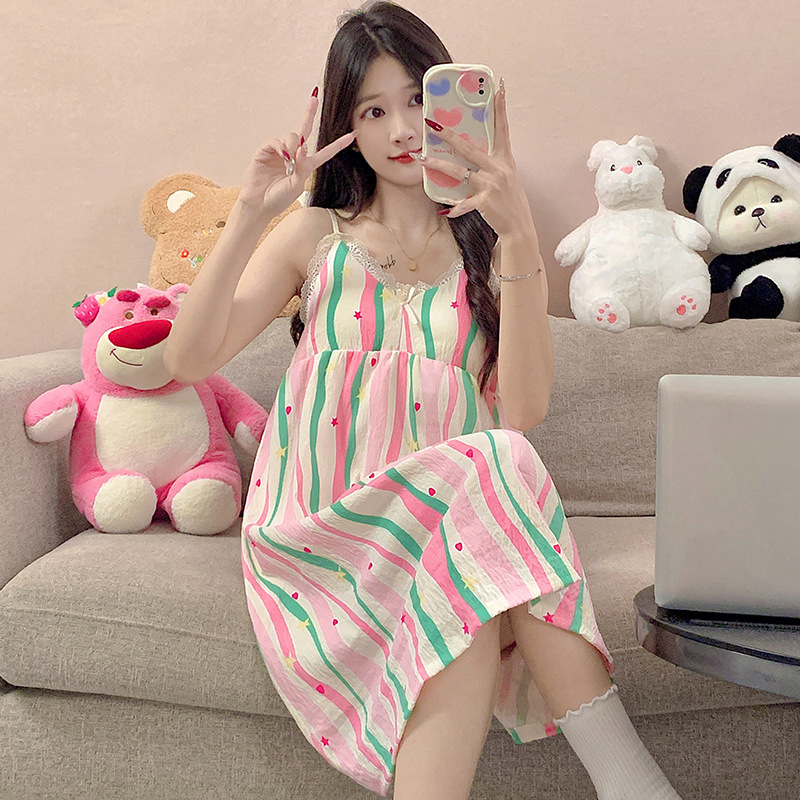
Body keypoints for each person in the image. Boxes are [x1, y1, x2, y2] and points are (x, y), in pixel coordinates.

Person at [164, 3, 685, 798]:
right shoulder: (315, 235)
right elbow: (188, 358)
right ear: (347, 127)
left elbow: (524, 409)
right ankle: (632, 784)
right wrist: (250, 214)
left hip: (446, 525)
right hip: (328, 522)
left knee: (475, 523)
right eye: (373, 111)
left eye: (417, 99)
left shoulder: (490, 242)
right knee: (489, 476)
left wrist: (518, 236)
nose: (404, 129)